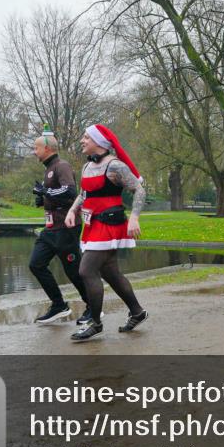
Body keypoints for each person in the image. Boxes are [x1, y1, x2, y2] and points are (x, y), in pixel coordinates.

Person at [64, 124, 148, 342]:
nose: (82, 141)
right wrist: (72, 210)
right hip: (92, 226)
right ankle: (137, 312)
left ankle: (95, 322)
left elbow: (139, 189)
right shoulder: (85, 167)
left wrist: (135, 217)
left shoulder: (115, 166)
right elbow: (84, 194)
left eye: (86, 137)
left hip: (109, 226)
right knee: (110, 273)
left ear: (99, 142)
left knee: (86, 270)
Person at [29, 126, 91, 325]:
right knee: (36, 264)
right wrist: (43, 200)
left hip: (67, 228)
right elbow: (57, 195)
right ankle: (59, 305)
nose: (33, 151)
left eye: (36, 147)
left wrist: (46, 193)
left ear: (47, 148)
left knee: (73, 270)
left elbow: (71, 193)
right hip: (51, 230)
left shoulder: (61, 165)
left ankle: (93, 306)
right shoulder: (48, 169)